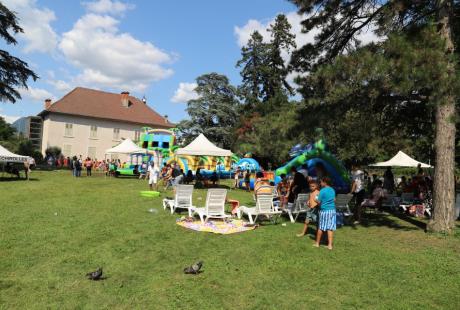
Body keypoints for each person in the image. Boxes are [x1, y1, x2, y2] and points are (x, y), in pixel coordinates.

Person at [314, 177, 336, 250]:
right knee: (330, 228)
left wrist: (315, 200)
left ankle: (317, 243)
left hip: (324, 211)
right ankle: (330, 245)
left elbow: (319, 201)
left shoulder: (322, 191)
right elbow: (334, 199)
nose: (320, 183)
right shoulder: (332, 190)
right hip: (332, 210)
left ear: (325, 182)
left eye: (321, 182)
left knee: (321, 227)